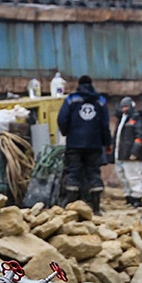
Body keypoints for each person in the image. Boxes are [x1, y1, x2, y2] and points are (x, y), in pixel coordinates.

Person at [56, 75, 111, 213]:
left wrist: (67, 132)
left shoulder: (71, 99)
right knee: (93, 172)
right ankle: (96, 209)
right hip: (94, 144)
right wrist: (106, 142)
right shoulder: (100, 100)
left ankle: (71, 208)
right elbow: (105, 124)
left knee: (73, 171)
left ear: (79, 85)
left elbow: (62, 118)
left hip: (74, 143)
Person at [114, 97, 142, 208]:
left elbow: (139, 136)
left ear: (131, 106)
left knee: (133, 176)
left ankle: (137, 198)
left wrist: (135, 152)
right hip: (120, 153)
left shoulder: (137, 118)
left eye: (126, 106)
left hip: (131, 155)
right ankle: (129, 197)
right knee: (122, 176)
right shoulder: (122, 119)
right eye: (122, 107)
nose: (124, 109)